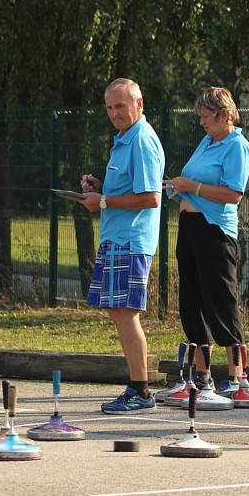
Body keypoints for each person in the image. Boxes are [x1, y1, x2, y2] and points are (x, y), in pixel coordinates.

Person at [78, 78, 165, 414]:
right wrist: (100, 188)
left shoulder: (142, 140)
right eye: (110, 107)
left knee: (126, 315)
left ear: (138, 104)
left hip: (130, 241)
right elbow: (129, 190)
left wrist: (102, 201)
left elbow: (150, 197)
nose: (115, 113)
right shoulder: (125, 139)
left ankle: (141, 390)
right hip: (118, 239)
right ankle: (136, 387)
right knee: (119, 314)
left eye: (121, 106)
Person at [163, 87, 249, 396]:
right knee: (191, 300)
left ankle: (236, 376)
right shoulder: (207, 141)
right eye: (200, 116)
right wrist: (179, 187)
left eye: (205, 116)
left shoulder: (237, 145)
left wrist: (195, 187)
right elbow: (194, 181)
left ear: (223, 115)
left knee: (220, 300)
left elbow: (234, 194)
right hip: (189, 225)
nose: (201, 122)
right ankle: (201, 375)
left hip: (215, 230)